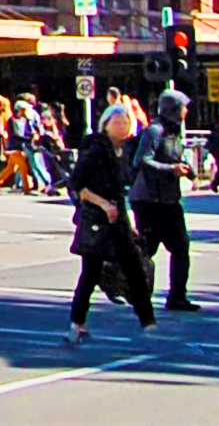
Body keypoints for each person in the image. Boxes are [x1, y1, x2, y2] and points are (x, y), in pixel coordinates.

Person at [67, 102, 158, 344]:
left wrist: (127, 219)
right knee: (90, 273)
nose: (122, 126)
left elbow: (120, 191)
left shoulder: (123, 150)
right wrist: (104, 204)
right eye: (117, 122)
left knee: (134, 268)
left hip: (118, 220)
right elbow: (78, 185)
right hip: (98, 221)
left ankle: (148, 320)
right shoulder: (96, 150)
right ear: (105, 125)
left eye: (126, 122)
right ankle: (77, 323)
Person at [130, 87, 203, 311]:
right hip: (149, 200)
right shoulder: (155, 130)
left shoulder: (174, 131)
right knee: (146, 249)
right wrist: (171, 169)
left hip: (169, 199)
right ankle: (130, 287)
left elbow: (175, 157)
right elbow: (142, 160)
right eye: (183, 108)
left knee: (180, 247)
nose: (186, 112)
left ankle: (177, 296)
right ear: (172, 108)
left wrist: (187, 170)